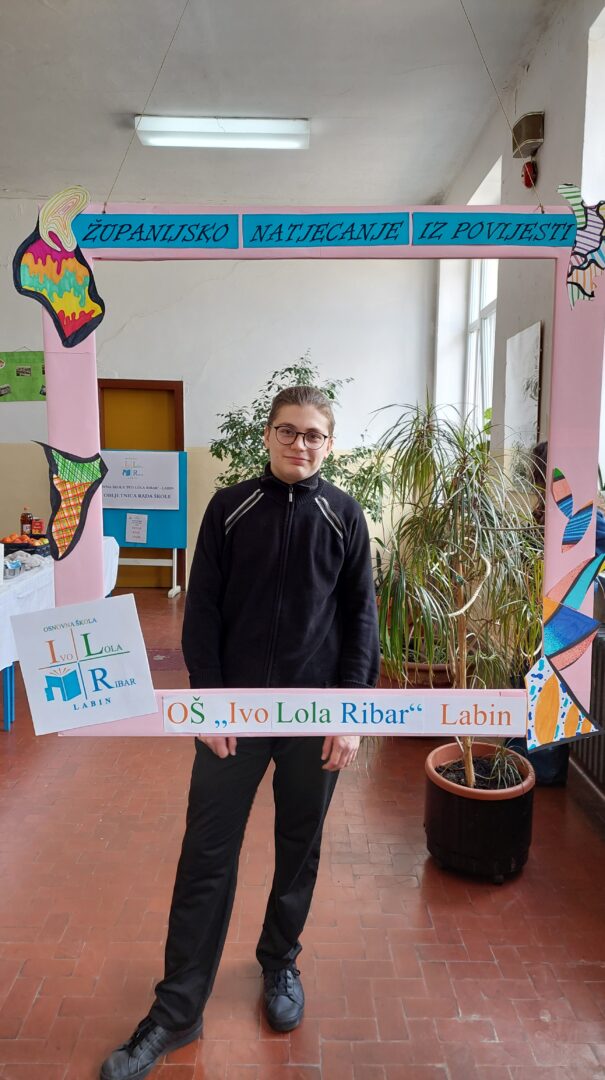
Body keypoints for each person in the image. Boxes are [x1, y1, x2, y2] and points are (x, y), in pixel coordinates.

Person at [100, 385, 380, 1080]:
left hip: (314, 719)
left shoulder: (344, 515)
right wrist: (211, 705)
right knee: (206, 854)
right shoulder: (229, 508)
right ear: (267, 435)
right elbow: (202, 611)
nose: (299, 444)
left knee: (298, 848)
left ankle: (279, 963)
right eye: (287, 431)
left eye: (313, 434)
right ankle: (176, 1010)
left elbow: (360, 620)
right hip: (234, 720)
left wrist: (350, 713)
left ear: (328, 443)